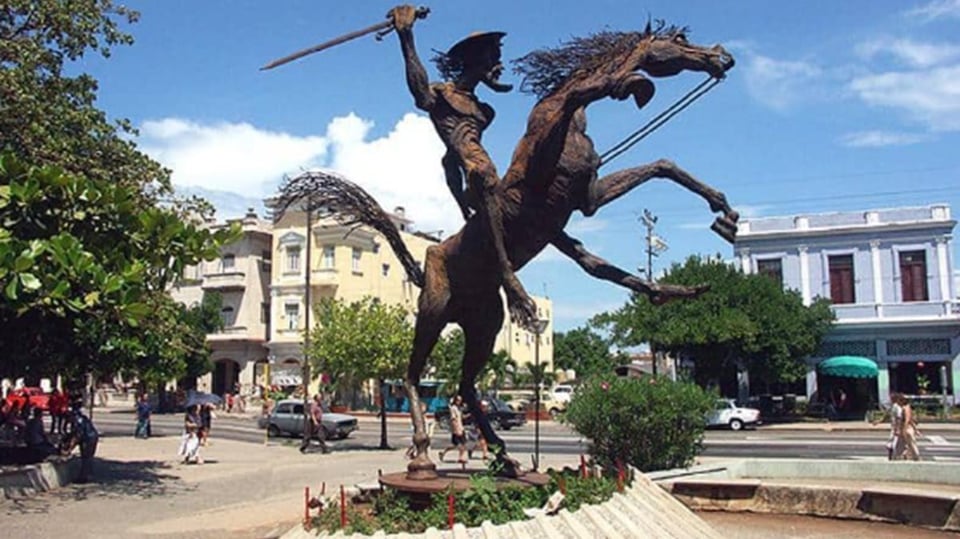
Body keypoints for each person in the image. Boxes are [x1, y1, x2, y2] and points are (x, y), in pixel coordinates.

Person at [389, 4, 537, 329]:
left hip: (483, 176)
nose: (498, 65)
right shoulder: (442, 95)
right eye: (492, 57)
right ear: (473, 59)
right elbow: (420, 95)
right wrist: (406, 37)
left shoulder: (485, 111)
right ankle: (507, 277)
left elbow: (449, 162)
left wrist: (460, 201)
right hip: (477, 179)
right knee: (483, 175)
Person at [65, 401, 99, 482]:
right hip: (92, 436)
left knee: (86, 457)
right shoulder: (82, 417)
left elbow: (77, 436)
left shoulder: (77, 420)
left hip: (88, 438)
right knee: (89, 457)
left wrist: (69, 449)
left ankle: (83, 477)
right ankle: (88, 475)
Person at [438, 395, 467, 464]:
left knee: (460, 444)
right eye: (458, 400)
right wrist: (456, 429)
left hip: (461, 427)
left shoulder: (459, 408)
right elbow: (453, 420)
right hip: (457, 429)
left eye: (460, 400)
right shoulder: (453, 408)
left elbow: (461, 417)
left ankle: (443, 453)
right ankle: (461, 458)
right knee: (460, 444)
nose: (459, 402)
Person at [897, 394, 921, 461]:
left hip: (907, 428)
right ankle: (904, 455)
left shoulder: (905, 408)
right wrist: (916, 429)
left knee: (911, 443)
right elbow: (911, 420)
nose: (897, 403)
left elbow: (907, 420)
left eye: (898, 401)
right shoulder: (907, 407)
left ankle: (916, 457)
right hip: (908, 428)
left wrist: (904, 429)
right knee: (905, 443)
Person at [886, 393, 903, 460]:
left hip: (896, 427)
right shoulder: (893, 406)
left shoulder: (897, 407)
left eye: (891, 398)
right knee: (893, 441)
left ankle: (893, 455)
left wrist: (898, 428)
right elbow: (887, 414)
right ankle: (892, 454)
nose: (890, 400)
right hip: (894, 426)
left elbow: (899, 418)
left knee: (895, 442)